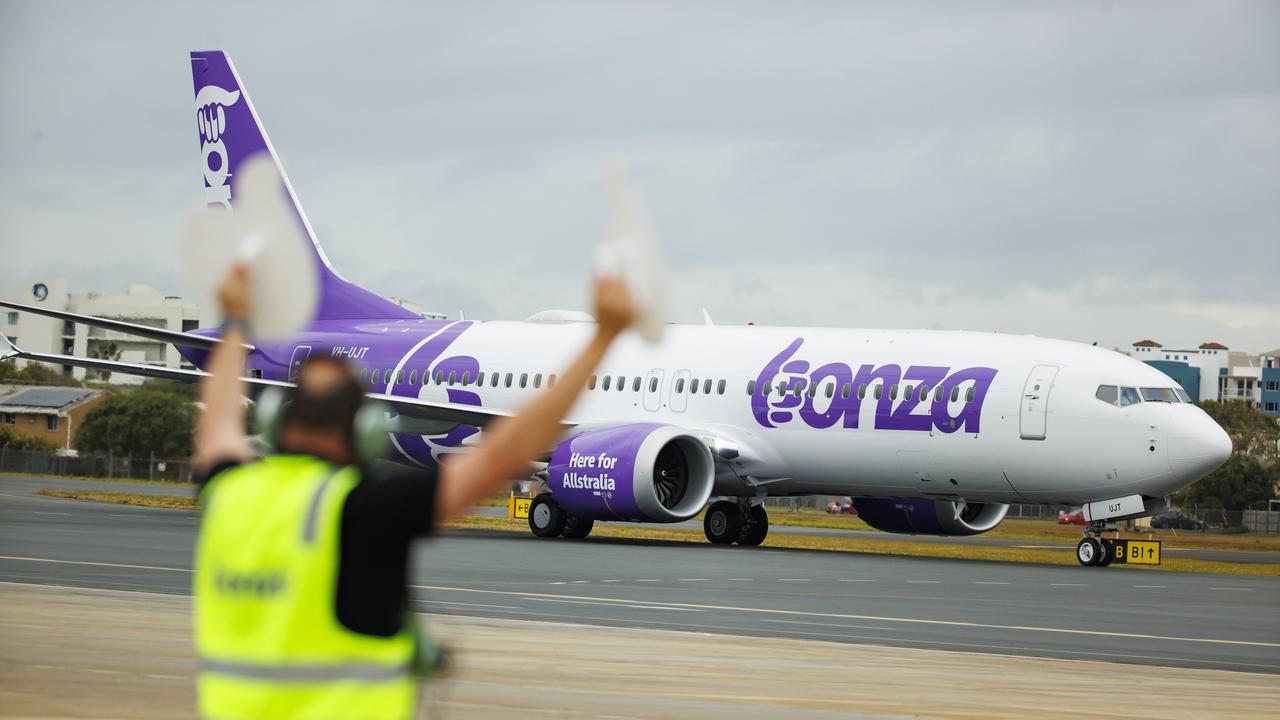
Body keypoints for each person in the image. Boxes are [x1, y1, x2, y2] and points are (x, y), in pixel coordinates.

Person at [191, 265, 634, 720]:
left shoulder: (228, 493)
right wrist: (604, 338)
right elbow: (504, 453)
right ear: (364, 430)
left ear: (274, 422)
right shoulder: (365, 508)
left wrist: (236, 321)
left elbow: (219, 424)